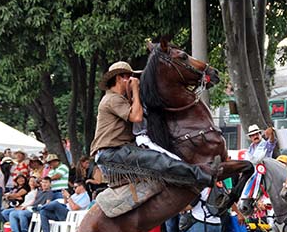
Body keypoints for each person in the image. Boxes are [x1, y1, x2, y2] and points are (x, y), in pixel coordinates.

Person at [90, 61, 219, 190]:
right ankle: (204, 177)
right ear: (119, 78)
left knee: (162, 157)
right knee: (157, 159)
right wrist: (135, 90)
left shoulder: (120, 100)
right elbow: (137, 117)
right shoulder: (112, 99)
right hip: (111, 155)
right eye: (129, 77)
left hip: (117, 153)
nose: (133, 80)